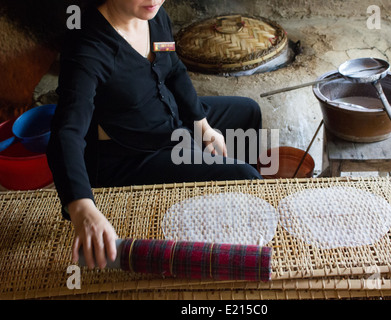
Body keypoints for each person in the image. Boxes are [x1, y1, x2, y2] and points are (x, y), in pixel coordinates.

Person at [47, 0, 263, 270]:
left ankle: (233, 208)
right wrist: (81, 208)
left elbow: (173, 69)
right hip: (135, 153)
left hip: (167, 114)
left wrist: (203, 126)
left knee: (247, 112)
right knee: (245, 174)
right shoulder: (88, 49)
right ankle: (231, 242)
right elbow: (66, 133)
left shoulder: (155, 18)